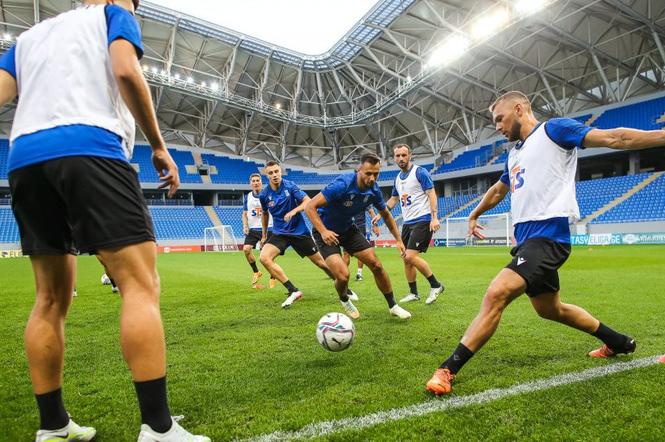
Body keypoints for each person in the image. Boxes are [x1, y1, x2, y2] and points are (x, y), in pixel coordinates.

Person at [0, 1, 209, 440]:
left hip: (23, 159)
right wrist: (158, 145)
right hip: (89, 145)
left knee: (49, 299)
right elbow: (127, 71)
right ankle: (158, 427)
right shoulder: (114, 14)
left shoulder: (29, 39)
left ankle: (53, 426)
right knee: (139, 285)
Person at [426, 90, 665, 395]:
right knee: (551, 309)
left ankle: (448, 369)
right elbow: (500, 190)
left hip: (549, 237)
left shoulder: (554, 130)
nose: (497, 126)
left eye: (500, 119)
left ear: (519, 109)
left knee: (497, 293)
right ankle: (617, 342)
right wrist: (473, 214)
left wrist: (661, 136)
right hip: (528, 241)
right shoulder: (514, 154)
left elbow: (616, 139)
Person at [305, 153, 412, 320]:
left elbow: (386, 215)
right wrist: (324, 231)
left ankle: (393, 306)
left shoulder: (374, 190)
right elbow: (310, 207)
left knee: (376, 264)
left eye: (376, 174)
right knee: (342, 275)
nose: (372, 178)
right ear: (359, 170)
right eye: (368, 173)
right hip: (325, 231)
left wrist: (398, 240)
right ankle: (344, 298)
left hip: (348, 230)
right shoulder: (342, 184)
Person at [259, 161, 342, 308]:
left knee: (321, 263)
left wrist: (294, 211)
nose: (274, 175)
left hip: (299, 232)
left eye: (276, 171)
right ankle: (293, 290)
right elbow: (265, 214)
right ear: (266, 175)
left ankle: (344, 288)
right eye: (271, 173)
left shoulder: (290, 186)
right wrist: (264, 235)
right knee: (264, 258)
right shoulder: (264, 195)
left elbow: (307, 202)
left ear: (281, 171)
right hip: (280, 233)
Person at [384, 144, 444, 305]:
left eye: (404, 155)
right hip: (407, 222)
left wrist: (434, 217)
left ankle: (436, 285)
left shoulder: (420, 172)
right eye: (398, 156)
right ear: (394, 157)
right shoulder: (397, 178)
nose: (401, 159)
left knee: (411, 256)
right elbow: (394, 199)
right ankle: (414, 293)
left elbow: (431, 193)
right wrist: (380, 212)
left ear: (410, 155)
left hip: (423, 219)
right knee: (406, 258)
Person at [242, 173, 277, 289]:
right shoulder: (248, 196)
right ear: (250, 183)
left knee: (268, 256)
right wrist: (245, 226)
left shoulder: (267, 194)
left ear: (261, 182)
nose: (256, 182)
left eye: (258, 180)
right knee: (246, 249)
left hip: (268, 228)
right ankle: (256, 272)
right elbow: (244, 213)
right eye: (253, 181)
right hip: (253, 229)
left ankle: (273, 276)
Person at [342, 209, 380, 281]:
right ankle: (343, 274)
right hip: (347, 227)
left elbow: (371, 211)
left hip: (360, 227)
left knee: (361, 252)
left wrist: (375, 225)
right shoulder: (344, 198)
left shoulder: (362, 198)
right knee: (345, 253)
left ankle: (359, 273)